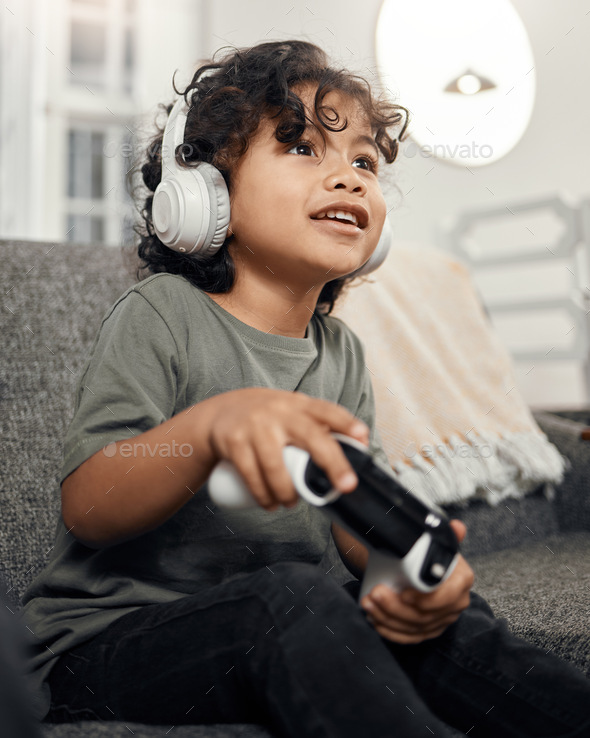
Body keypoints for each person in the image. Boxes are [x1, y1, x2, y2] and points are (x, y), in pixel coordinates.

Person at [20, 40, 590, 737]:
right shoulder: (162, 315)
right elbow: (89, 506)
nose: (349, 178)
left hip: (286, 617)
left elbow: (353, 524)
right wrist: (211, 429)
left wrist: (411, 566)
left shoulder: (340, 353)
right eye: (301, 147)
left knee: (442, 617)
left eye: (363, 162)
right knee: (289, 598)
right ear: (203, 193)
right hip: (109, 648)